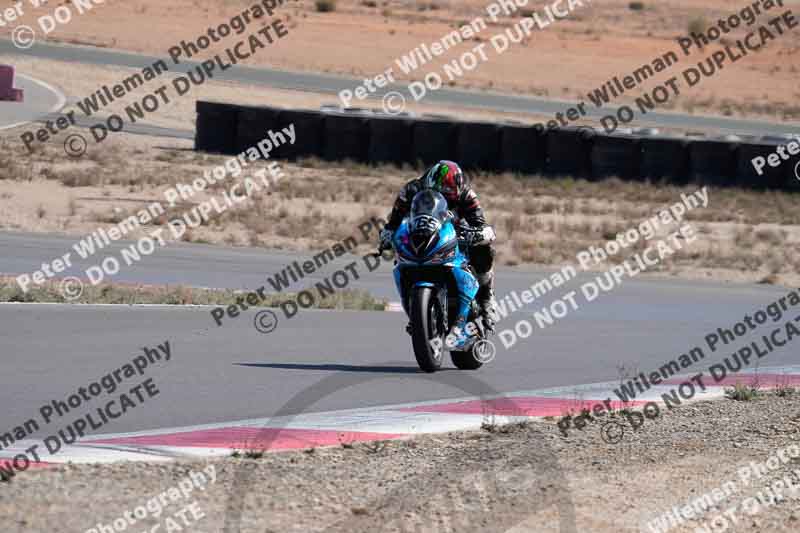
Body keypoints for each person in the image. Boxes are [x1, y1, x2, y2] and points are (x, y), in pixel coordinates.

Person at [379, 160, 497, 338]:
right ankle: (415, 309)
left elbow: (480, 222)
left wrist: (480, 233)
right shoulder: (411, 190)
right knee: (399, 255)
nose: (450, 196)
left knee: (483, 250)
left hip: (455, 234)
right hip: (421, 234)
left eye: (452, 193)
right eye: (446, 192)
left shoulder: (466, 194)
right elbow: (395, 219)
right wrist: (388, 233)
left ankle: (487, 296)